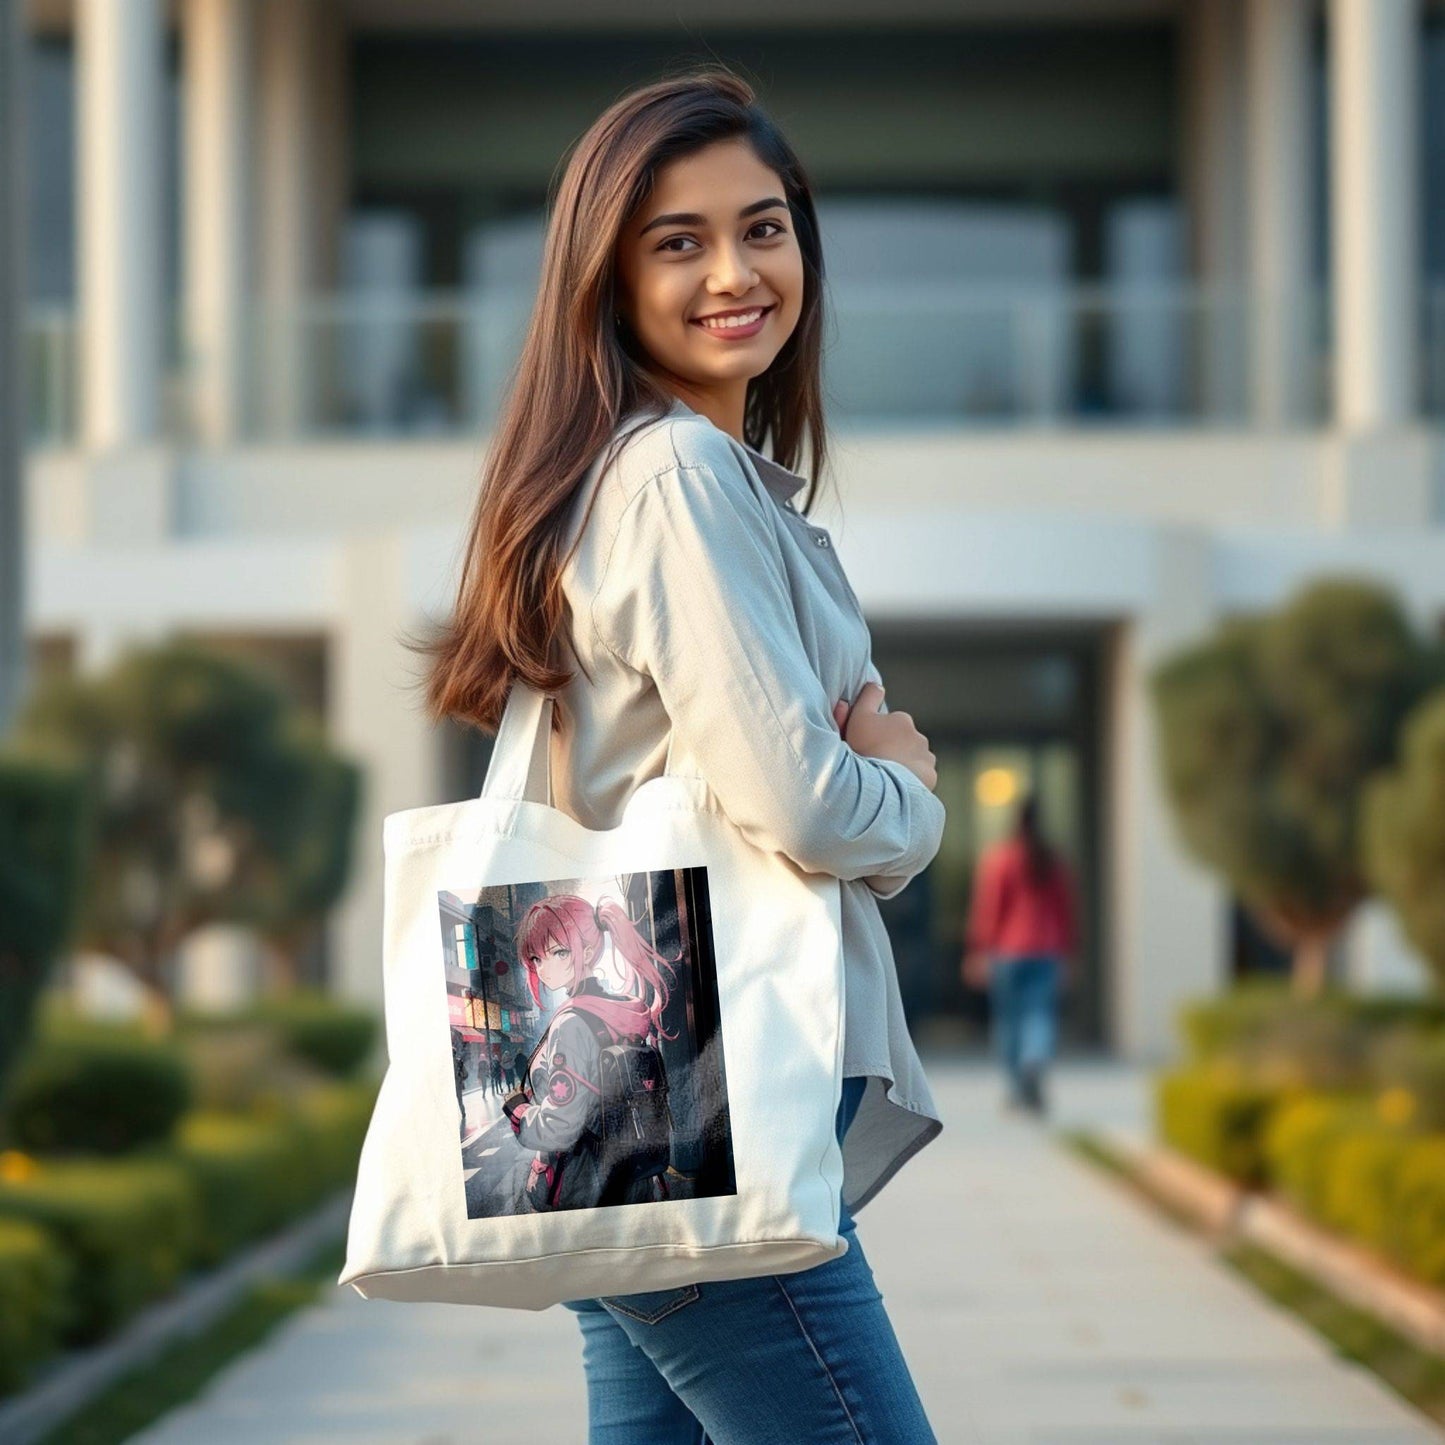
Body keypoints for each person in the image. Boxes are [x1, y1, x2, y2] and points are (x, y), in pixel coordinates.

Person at [411, 65, 945, 1444]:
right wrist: (911, 789)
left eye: (764, 228)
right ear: (608, 277)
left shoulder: (663, 470)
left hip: (634, 1102)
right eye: (678, 241)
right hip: (698, 1108)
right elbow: (809, 805)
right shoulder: (673, 477)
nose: (736, 272)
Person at [502, 892, 680, 1211]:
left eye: (558, 952)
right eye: (536, 958)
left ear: (586, 949)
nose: (543, 968)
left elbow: (557, 1129)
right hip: (635, 1177)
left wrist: (518, 1110)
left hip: (586, 1188)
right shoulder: (623, 1008)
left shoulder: (571, 1024)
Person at [962, 793, 1078, 1116]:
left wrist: (977, 951)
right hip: (1047, 949)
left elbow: (988, 909)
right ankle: (1035, 1058)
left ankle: (1016, 1087)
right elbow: (1066, 909)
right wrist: (1069, 952)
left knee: (1008, 1021)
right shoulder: (1053, 859)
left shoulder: (999, 859)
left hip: (1007, 951)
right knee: (1040, 1015)